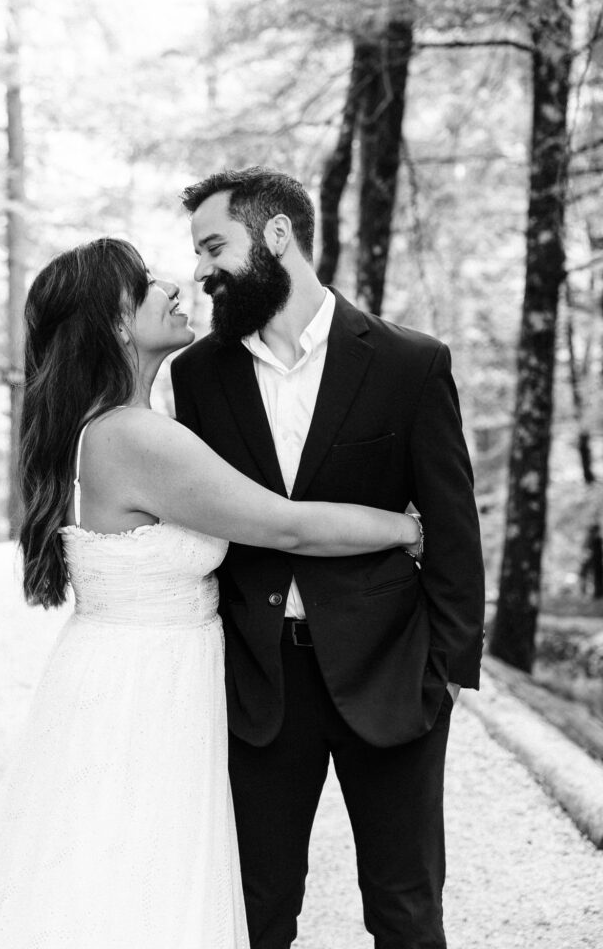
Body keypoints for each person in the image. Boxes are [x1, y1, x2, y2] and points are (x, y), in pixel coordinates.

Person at [0, 236, 424, 949]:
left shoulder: (98, 430)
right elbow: (284, 528)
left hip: (116, 673)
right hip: (147, 689)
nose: (174, 285)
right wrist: (403, 530)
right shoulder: (137, 437)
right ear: (118, 325)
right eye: (147, 283)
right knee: (140, 877)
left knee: (105, 870)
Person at [171, 168, 485, 949]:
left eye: (216, 246)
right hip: (257, 681)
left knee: (406, 908)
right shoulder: (196, 376)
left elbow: (452, 524)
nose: (202, 270)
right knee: (256, 907)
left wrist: (445, 671)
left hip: (392, 671)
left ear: (277, 236)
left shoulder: (411, 363)